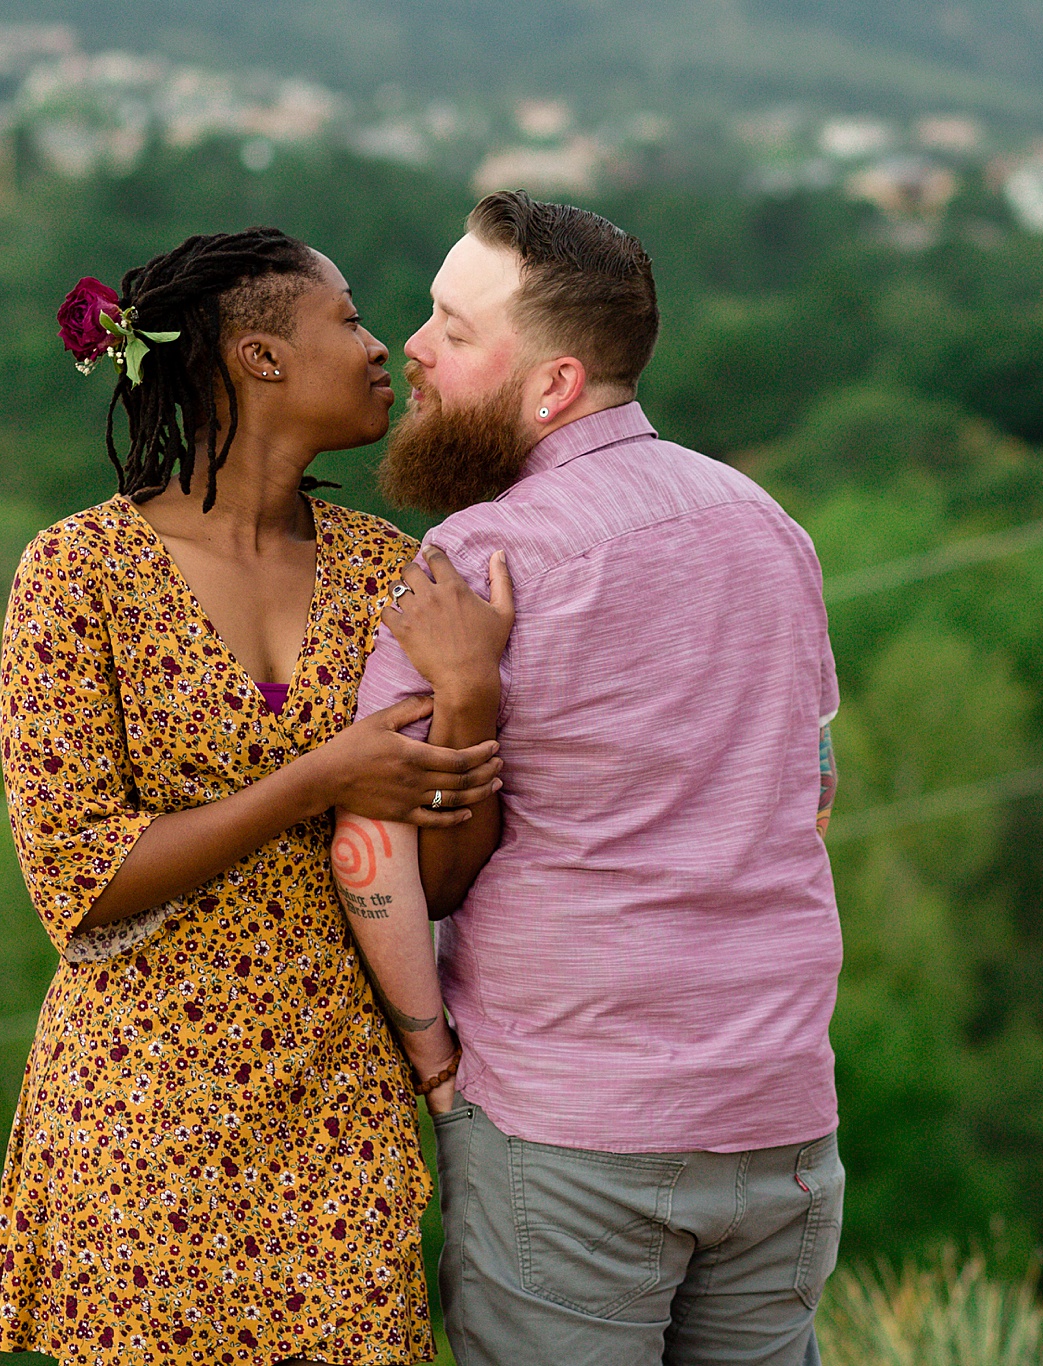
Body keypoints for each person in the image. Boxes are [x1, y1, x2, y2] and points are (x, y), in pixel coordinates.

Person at [0, 226, 511, 1366]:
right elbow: (80, 882)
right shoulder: (76, 575)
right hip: (140, 1117)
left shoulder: (389, 571)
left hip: (340, 1111)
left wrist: (468, 696)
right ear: (258, 357)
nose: (382, 350)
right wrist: (316, 779)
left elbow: (447, 873)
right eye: (349, 319)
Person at [333, 191, 846, 1366]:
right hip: (780, 1114)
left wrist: (433, 1064)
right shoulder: (770, 526)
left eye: (454, 332)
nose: (412, 346)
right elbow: (812, 789)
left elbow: (377, 847)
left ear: (552, 383)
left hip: (570, 1123)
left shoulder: (476, 560)